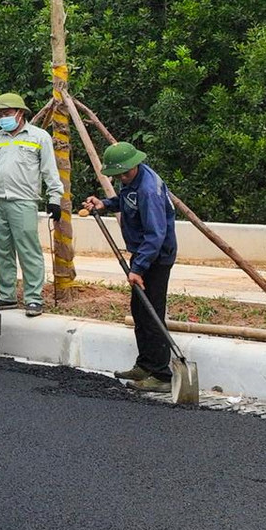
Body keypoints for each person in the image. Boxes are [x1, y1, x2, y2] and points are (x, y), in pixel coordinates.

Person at [81, 142, 178, 391]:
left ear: (134, 165)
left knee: (152, 312)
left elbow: (155, 235)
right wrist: (105, 204)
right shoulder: (133, 181)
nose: (121, 178)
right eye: (117, 175)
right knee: (139, 310)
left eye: (123, 173)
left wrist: (138, 268)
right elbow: (127, 202)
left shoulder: (148, 190)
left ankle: (161, 375)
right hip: (143, 253)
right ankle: (145, 364)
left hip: (156, 256)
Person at [0, 93, 63, 316]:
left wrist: (54, 198)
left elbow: (50, 170)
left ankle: (33, 298)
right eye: (0, 114)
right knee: (1, 250)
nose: (3, 117)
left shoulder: (38, 137)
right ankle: (6, 296)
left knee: (28, 250)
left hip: (23, 201)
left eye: (7, 113)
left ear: (20, 113)